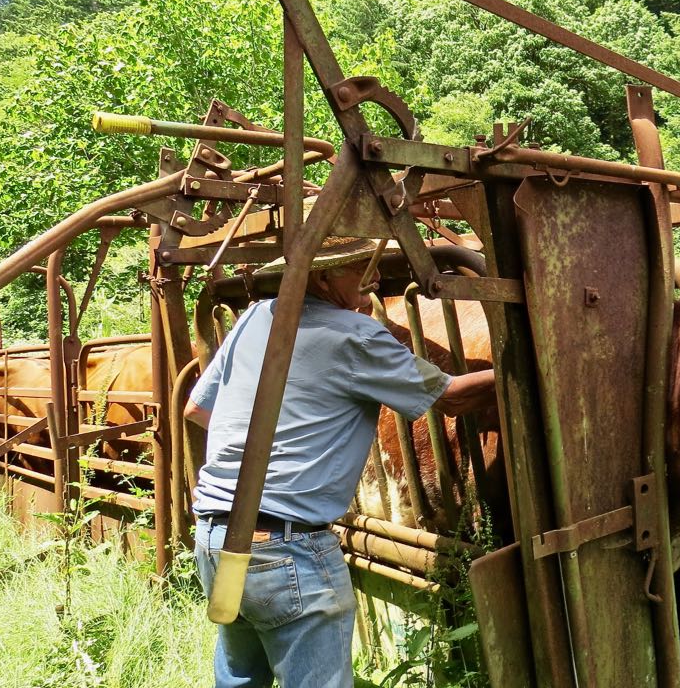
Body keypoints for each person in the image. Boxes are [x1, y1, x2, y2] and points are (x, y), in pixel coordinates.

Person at [184, 236, 496, 688]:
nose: (372, 277)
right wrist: (527, 360)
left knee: (239, 678)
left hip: (215, 537)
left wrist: (272, 445)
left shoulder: (254, 317)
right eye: (358, 267)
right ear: (323, 276)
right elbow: (449, 399)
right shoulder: (354, 335)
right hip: (287, 550)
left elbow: (195, 409)